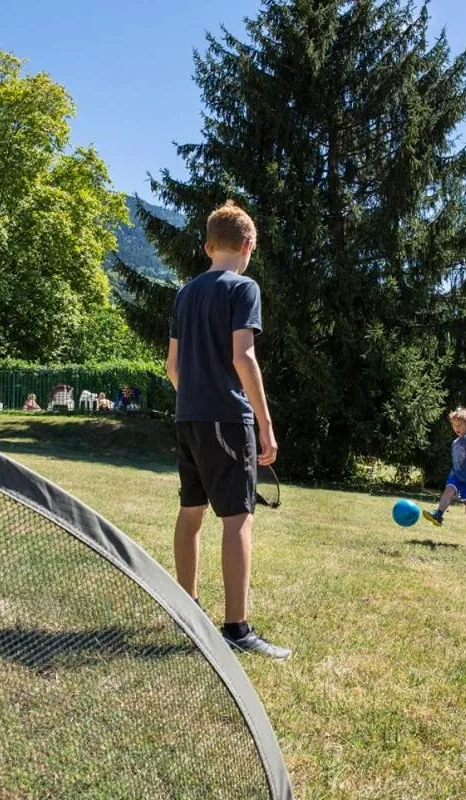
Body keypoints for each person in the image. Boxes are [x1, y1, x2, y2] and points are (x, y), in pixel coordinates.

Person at [167, 200, 289, 659]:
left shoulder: (185, 294)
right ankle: (236, 629)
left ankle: (187, 611)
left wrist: (196, 396)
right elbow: (244, 357)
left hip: (188, 417)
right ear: (248, 245)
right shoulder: (244, 288)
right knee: (238, 518)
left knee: (192, 512)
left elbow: (172, 367)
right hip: (226, 418)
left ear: (207, 246)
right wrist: (264, 423)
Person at [423, 407, 466, 548]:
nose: (456, 428)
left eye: (459, 425)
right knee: (449, 489)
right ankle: (439, 514)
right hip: (456, 475)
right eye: (454, 425)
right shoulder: (455, 443)